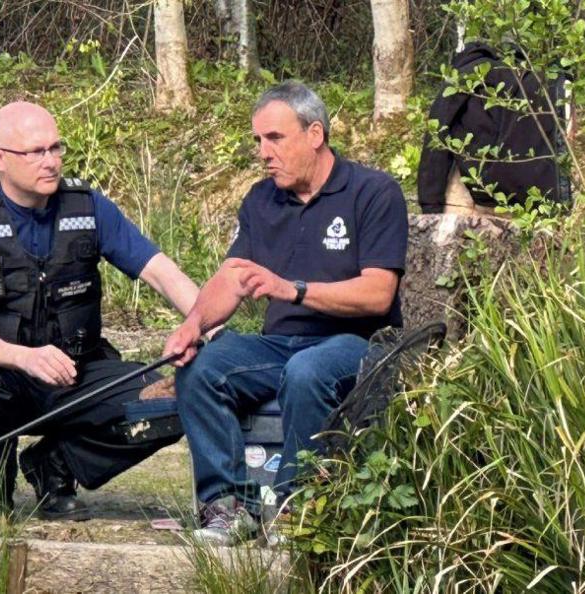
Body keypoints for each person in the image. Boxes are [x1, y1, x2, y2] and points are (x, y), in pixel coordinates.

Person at [163, 81, 408, 545]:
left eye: (274, 138)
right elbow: (231, 278)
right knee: (203, 365)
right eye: (257, 140)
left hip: (355, 342)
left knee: (307, 370)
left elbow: (378, 294)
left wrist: (291, 290)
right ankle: (226, 507)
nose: (263, 152)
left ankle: (300, 510)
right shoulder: (261, 199)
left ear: (315, 134)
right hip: (279, 344)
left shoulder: (374, 192)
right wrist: (193, 325)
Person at [0, 102, 200, 520]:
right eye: (35, 152)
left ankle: (56, 465)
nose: (51, 161)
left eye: (56, 148)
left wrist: (204, 322)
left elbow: (161, 273)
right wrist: (26, 357)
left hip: (79, 371)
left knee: (179, 399)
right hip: (7, 375)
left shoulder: (87, 208)